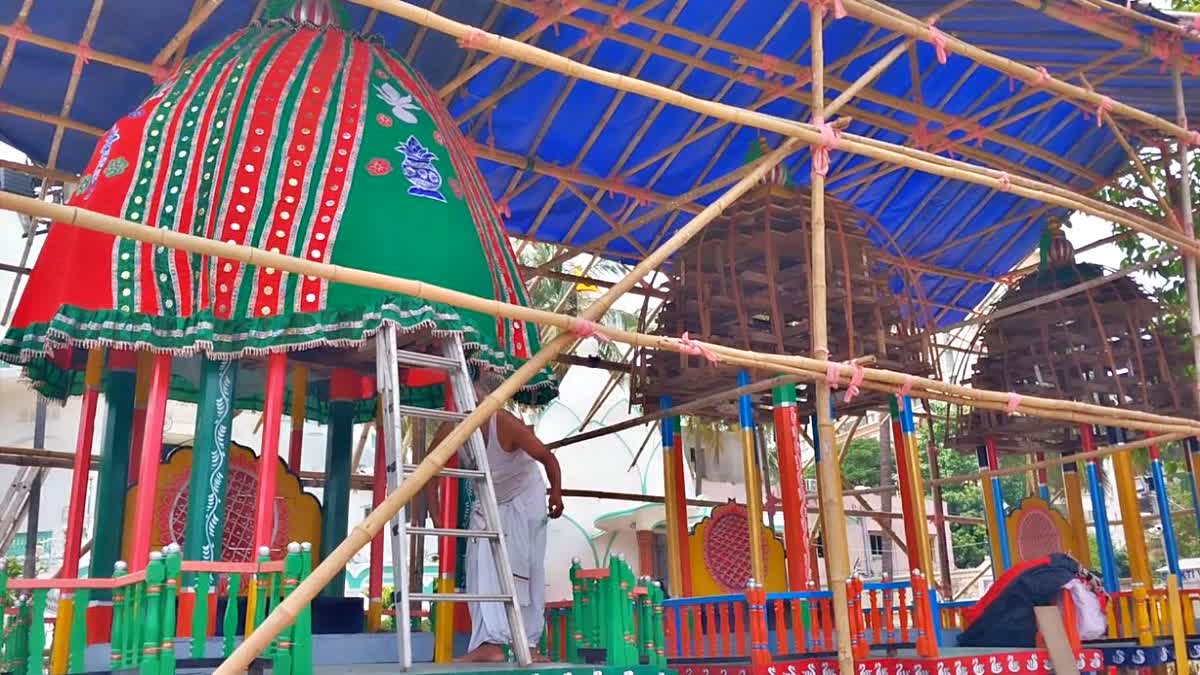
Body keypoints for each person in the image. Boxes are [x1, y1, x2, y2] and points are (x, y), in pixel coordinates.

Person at [428, 368, 564, 663]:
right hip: (487, 500)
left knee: (528, 568)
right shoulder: (450, 427)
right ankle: (489, 644)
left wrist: (556, 493)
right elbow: (429, 475)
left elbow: (547, 458)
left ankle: (528, 643)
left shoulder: (504, 423)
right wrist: (436, 517)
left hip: (525, 498)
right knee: (480, 567)